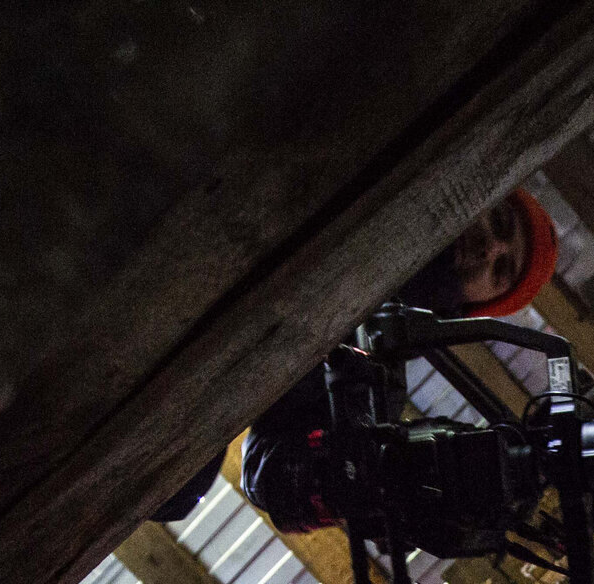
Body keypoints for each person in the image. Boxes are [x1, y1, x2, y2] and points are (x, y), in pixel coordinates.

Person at [152, 188, 559, 527]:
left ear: (482, 302)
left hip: (186, 378)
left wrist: (337, 475)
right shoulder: (378, 188)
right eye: (500, 223)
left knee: (176, 494)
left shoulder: (373, 380)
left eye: (501, 270)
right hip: (195, 237)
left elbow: (265, 470)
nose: (490, 247)